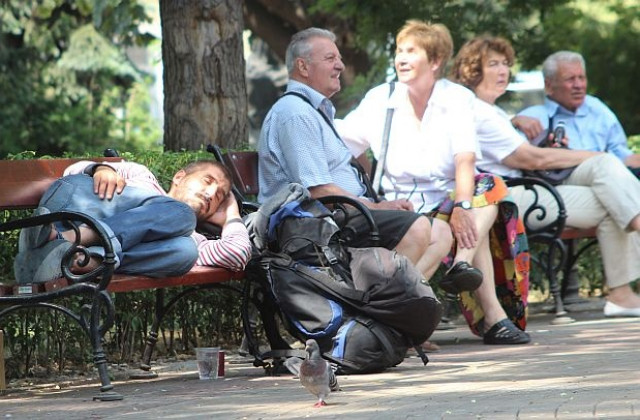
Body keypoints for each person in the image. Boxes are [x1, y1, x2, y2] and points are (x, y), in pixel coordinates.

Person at [257, 27, 483, 303]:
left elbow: (349, 157)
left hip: (337, 213)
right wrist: (375, 206)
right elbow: (317, 191)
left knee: (439, 231)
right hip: (311, 224)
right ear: (303, 66)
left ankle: (391, 316)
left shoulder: (316, 110)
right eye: (330, 58)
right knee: (419, 228)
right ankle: (373, 314)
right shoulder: (296, 114)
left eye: (338, 58)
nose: (340, 65)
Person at [337, 20, 530, 344]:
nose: (401, 59)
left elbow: (464, 159)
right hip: (400, 203)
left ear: (436, 61)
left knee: (488, 187)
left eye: (411, 52)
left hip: (447, 195)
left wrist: (462, 205)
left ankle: (460, 271)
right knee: (478, 217)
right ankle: (484, 308)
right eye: (399, 51)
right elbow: (340, 145)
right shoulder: (381, 98)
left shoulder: (455, 98)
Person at [450, 35, 640, 317]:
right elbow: (530, 158)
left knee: (612, 192)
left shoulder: (493, 111)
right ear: (472, 70)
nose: (503, 71)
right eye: (493, 64)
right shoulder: (478, 110)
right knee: (608, 179)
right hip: (507, 197)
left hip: (526, 191)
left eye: (505, 64)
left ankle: (622, 295)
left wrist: (514, 120)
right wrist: (593, 155)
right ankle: (622, 294)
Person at [14, 159, 252, 284]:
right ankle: (70, 239)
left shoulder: (193, 238)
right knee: (180, 212)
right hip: (68, 211)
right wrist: (100, 168)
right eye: (207, 181)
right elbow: (71, 173)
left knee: (185, 252)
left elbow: (237, 255)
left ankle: (73, 255)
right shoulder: (141, 176)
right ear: (179, 177)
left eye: (219, 196)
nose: (211, 194)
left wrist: (232, 214)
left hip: (71, 253)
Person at [516, 50, 640, 170]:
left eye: (582, 78)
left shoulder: (596, 108)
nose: (579, 85)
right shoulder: (532, 118)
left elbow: (620, 153)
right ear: (549, 86)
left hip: (610, 176)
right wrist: (513, 121)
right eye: (570, 79)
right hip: (564, 184)